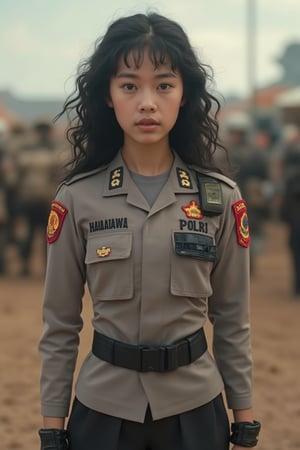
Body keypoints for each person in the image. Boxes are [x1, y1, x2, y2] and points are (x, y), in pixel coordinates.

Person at [38, 12, 261, 450]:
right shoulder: (76, 199)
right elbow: (60, 323)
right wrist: (51, 422)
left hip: (195, 410)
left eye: (163, 84)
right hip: (103, 410)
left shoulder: (220, 199)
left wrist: (245, 413)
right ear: (108, 94)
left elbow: (233, 317)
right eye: (129, 85)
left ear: (184, 95)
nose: (147, 102)